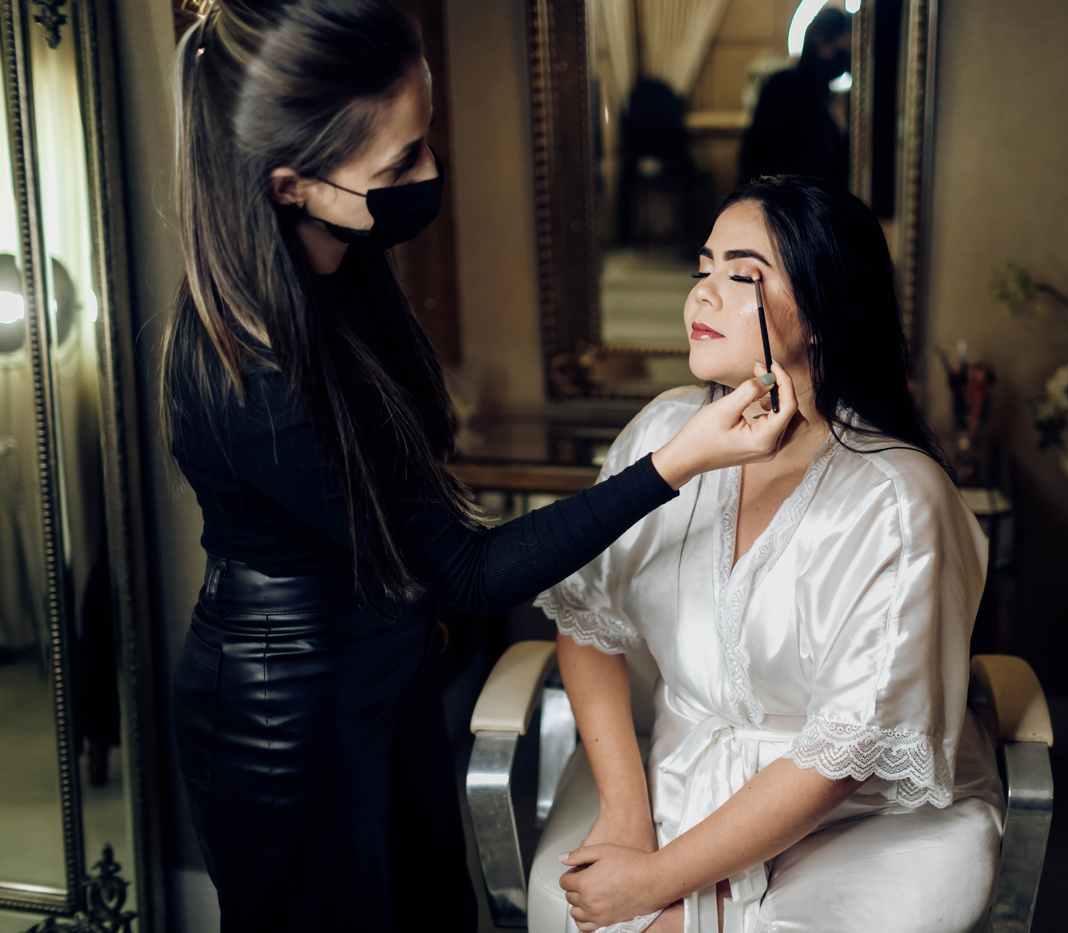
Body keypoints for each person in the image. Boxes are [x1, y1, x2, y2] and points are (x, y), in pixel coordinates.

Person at [159, 3, 796, 930]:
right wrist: (677, 462)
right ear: (291, 186)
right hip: (286, 720)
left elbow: (405, 510)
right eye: (397, 166)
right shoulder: (252, 370)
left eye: (427, 139)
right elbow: (469, 569)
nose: (428, 174)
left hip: (385, 676)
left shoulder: (342, 264)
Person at [540, 176, 1005, 933]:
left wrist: (655, 880)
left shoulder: (897, 499)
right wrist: (628, 817)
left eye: (742, 275)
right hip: (683, 781)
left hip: (865, 821)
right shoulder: (662, 434)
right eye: (703, 267)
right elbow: (588, 620)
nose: (701, 293)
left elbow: (841, 756)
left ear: (822, 310)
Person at [738, 9, 852, 188]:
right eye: (841, 49)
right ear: (822, 43)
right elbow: (759, 157)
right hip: (786, 198)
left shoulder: (824, 96)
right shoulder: (784, 86)